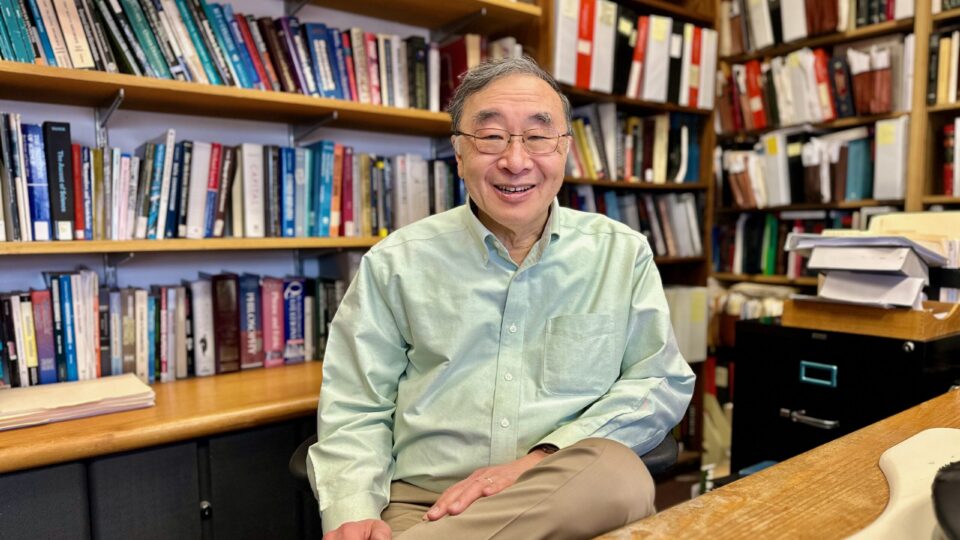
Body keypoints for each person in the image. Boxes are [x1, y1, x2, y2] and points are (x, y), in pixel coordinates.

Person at [308, 56, 695, 540]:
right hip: (426, 506)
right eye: (491, 138)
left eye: (537, 136)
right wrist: (352, 508)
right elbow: (355, 404)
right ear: (458, 153)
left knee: (618, 474)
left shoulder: (621, 253)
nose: (515, 160)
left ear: (565, 150)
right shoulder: (396, 262)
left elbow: (658, 381)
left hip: (563, 492)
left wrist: (536, 462)